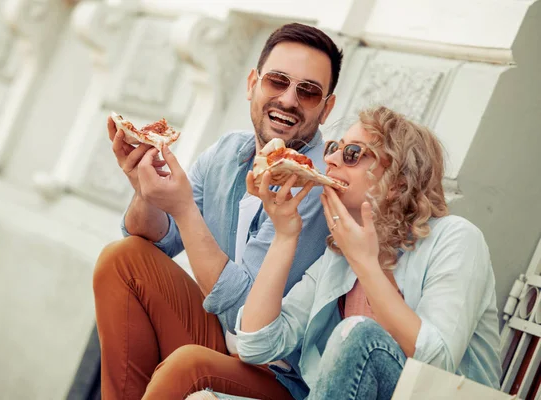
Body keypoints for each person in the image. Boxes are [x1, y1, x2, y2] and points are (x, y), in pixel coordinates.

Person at [159, 106, 502, 400]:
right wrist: (285, 235)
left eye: (352, 154)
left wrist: (367, 264)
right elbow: (257, 344)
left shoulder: (456, 239)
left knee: (358, 334)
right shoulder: (339, 254)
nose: (331, 158)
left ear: (397, 181)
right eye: (335, 148)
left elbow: (435, 363)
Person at [92, 23, 343, 399]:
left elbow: (247, 318)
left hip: (277, 375)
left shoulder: (315, 183)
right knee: (122, 259)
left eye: (308, 92)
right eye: (277, 81)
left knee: (189, 365)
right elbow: (151, 241)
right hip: (221, 337)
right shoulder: (228, 151)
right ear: (252, 84)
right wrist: (145, 186)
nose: (289, 100)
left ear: (326, 109)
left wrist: (183, 209)